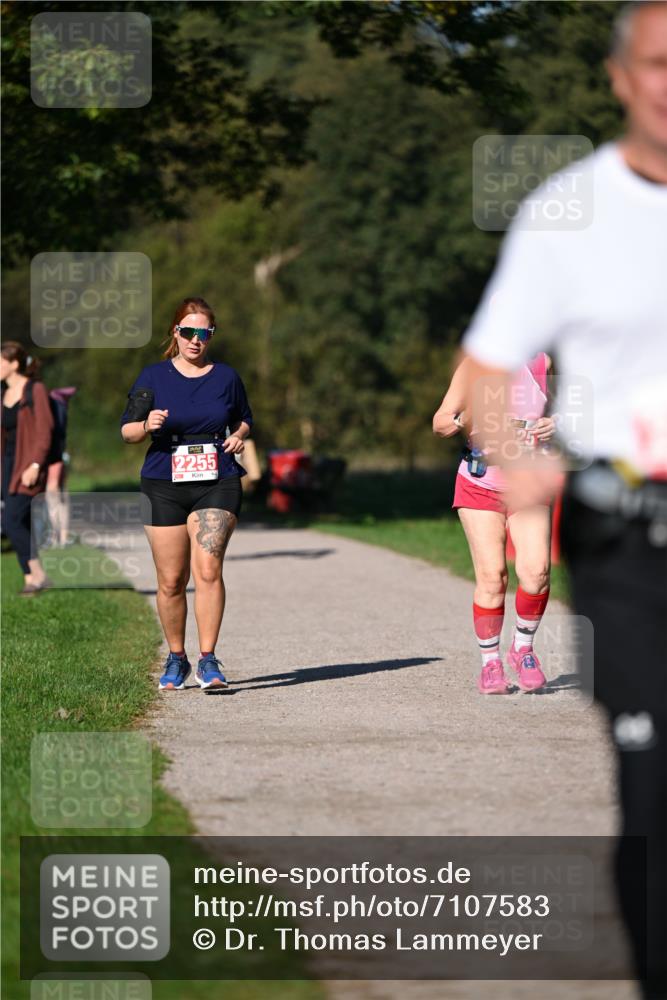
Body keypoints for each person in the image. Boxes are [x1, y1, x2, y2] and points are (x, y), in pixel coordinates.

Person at [459, 4, 667, 995]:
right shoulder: (566, 212)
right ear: (620, 77)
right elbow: (489, 365)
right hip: (629, 547)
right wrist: (514, 451)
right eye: (659, 64)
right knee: (653, 787)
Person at [121, 297, 253, 692]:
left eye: (204, 333)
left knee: (208, 570)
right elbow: (127, 432)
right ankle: (176, 658)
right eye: (188, 332)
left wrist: (239, 436)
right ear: (175, 333)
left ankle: (208, 660)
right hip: (163, 481)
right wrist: (146, 423)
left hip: (217, 479)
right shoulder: (153, 377)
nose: (196, 340)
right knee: (171, 580)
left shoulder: (226, 377)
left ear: (211, 336)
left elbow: (244, 419)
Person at [433, 354, 556, 695]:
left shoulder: (543, 362)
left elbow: (581, 409)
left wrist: (556, 422)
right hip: (480, 481)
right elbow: (440, 422)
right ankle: (490, 664)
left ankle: (522, 649)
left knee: (537, 572)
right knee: (493, 576)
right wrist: (465, 418)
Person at [0, 342, 54, 594]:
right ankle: (29, 579)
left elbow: (45, 430)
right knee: (21, 520)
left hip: (27, 463)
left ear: (13, 364)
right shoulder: (3, 394)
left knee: (11, 520)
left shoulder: (36, 389)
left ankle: (37, 574)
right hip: (6, 465)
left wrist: (35, 464)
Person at [44, 386, 77, 548]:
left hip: (53, 457)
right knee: (61, 495)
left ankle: (56, 535)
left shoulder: (53, 407)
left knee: (53, 495)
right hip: (60, 456)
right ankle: (61, 536)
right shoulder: (60, 409)